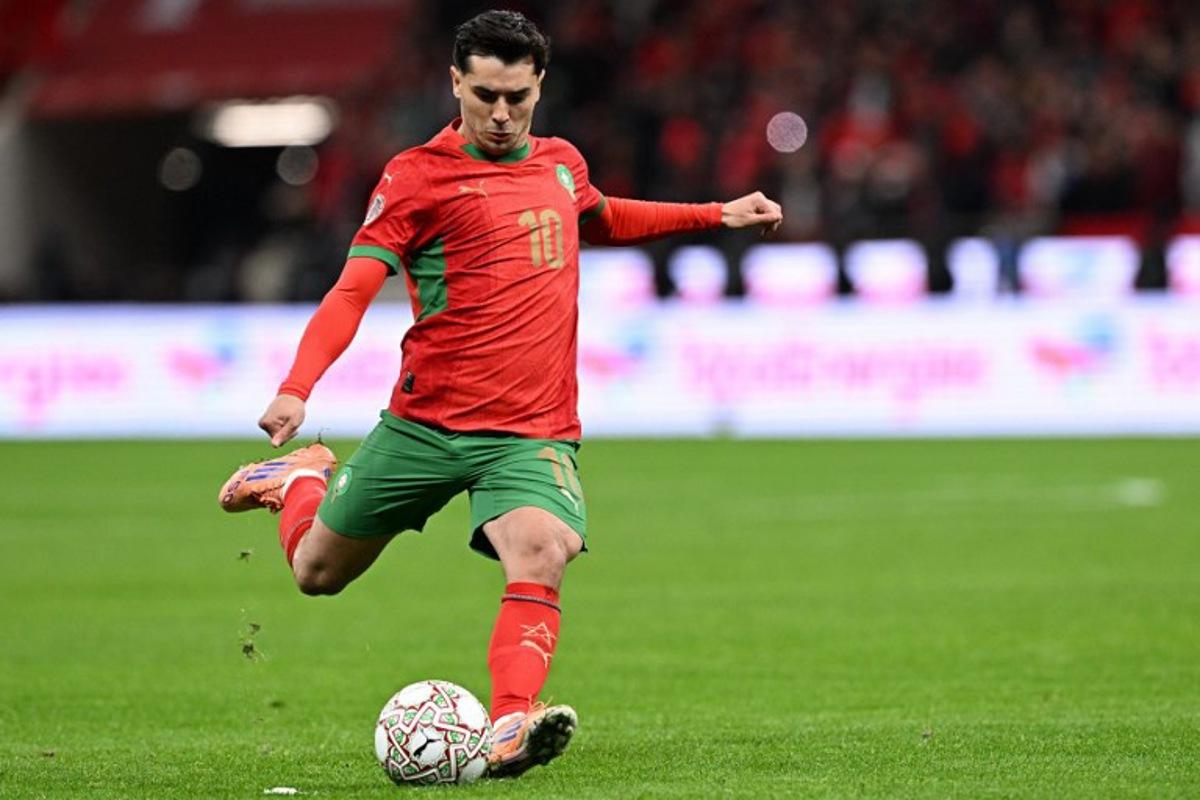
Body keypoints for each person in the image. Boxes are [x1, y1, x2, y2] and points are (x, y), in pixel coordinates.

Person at [218, 9, 782, 779]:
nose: (501, 112)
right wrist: (296, 388)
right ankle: (299, 481)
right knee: (317, 573)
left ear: (539, 85)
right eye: (484, 93)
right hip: (424, 425)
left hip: (530, 431)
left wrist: (716, 212)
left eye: (517, 95)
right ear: (455, 82)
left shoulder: (560, 164)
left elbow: (604, 216)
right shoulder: (415, 177)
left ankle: (511, 726)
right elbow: (353, 291)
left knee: (545, 549)